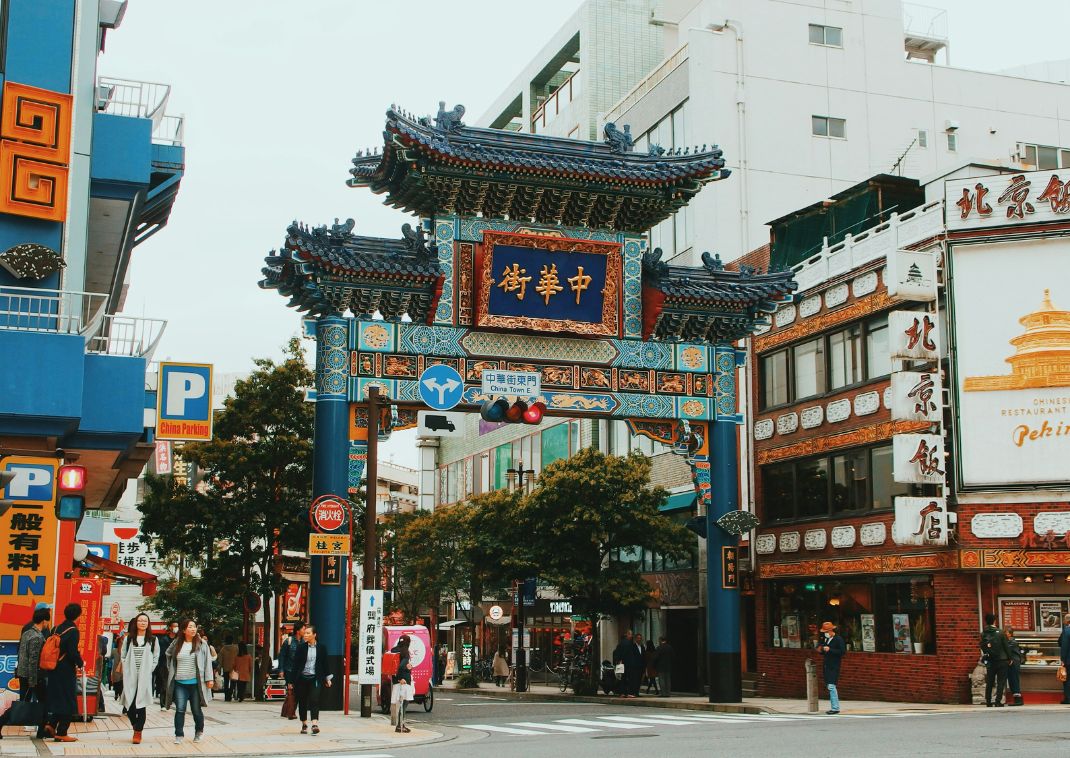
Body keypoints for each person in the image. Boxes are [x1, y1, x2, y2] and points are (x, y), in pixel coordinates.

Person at [0, 606, 51, 739]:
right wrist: (33, 681)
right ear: (44, 621)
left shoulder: (27, 633)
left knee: (23, 703)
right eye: (47, 621)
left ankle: (1, 723)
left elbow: (21, 655)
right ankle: (41, 732)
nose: (48, 624)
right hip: (32, 676)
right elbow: (33, 661)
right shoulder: (37, 637)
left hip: (23, 674)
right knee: (44, 702)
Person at [163, 618, 214, 745]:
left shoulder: (201, 643)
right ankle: (179, 735)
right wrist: (171, 669)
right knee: (180, 709)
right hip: (180, 682)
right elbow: (168, 654)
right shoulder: (177, 643)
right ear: (184, 630)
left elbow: (208, 661)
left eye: (194, 626)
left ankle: (199, 731)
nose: (193, 629)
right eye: (190, 627)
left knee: (196, 710)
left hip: (196, 683)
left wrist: (209, 679)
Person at [45, 602, 84, 742]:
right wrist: (81, 663)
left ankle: (51, 723)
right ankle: (62, 732)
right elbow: (72, 652)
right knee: (69, 700)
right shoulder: (73, 630)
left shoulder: (56, 628)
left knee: (58, 697)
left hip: (53, 667)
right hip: (65, 669)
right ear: (78, 616)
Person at [120, 613, 160, 744]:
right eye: (140, 620)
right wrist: (126, 666)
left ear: (148, 624)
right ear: (136, 623)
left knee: (141, 704)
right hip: (130, 674)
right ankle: (135, 726)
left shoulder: (153, 639)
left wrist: (150, 669)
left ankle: (138, 732)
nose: (143, 623)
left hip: (144, 676)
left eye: (145, 621)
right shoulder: (129, 639)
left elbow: (156, 657)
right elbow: (123, 655)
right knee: (130, 704)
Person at [292, 625, 332, 735]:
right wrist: (290, 682)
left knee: (314, 700)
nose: (305, 635)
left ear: (314, 635)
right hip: (302, 679)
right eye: (305, 633)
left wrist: (328, 678)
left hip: (315, 678)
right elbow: (295, 665)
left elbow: (325, 664)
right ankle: (304, 724)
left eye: (308, 633)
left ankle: (314, 724)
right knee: (303, 701)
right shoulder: (301, 648)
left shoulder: (322, 648)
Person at [981, 612, 1011, 707]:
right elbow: (1006, 646)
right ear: (994, 621)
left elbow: (982, 646)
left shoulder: (983, 633)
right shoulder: (1001, 632)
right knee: (1001, 681)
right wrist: (1009, 658)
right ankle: (998, 701)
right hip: (1002, 660)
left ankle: (988, 701)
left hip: (990, 660)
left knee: (990, 681)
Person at [819, 621, 846, 715]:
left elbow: (842, 652)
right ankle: (834, 707)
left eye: (826, 632)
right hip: (827, 665)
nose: (825, 634)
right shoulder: (826, 640)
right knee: (829, 686)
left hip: (834, 665)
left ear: (831, 631)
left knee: (831, 686)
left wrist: (830, 649)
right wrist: (821, 649)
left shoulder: (838, 639)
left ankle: (835, 708)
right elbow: (822, 650)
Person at [390, 634, 412, 733]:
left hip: (395, 681)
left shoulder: (394, 650)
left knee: (400, 703)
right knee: (404, 703)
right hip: (403, 682)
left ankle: (400, 725)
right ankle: (400, 725)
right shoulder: (405, 652)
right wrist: (401, 679)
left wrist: (397, 679)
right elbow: (401, 666)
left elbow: (394, 666)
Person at [612, 630, 643, 698]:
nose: (632, 636)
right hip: (628, 664)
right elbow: (629, 654)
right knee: (629, 678)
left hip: (621, 663)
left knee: (622, 678)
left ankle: (622, 693)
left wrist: (619, 661)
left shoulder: (620, 643)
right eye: (631, 635)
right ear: (628, 635)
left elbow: (617, 653)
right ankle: (629, 692)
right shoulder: (628, 644)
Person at [156, 621, 178, 706]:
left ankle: (174, 700)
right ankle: (163, 703)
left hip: (176, 664)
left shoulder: (178, 639)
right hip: (164, 664)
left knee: (175, 683)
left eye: (177, 626)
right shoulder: (164, 640)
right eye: (174, 626)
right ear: (170, 627)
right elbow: (162, 653)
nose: (176, 628)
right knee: (164, 683)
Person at [1004, 627, 1023, 707]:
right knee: (1012, 680)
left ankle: (1018, 700)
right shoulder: (1010, 641)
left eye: (1006, 632)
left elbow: (1006, 649)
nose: (1004, 634)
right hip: (1012, 663)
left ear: (1009, 633)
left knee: (1014, 680)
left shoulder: (1011, 642)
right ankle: (1016, 699)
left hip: (1014, 663)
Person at [219, 635, 238, 702]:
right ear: (232, 641)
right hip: (234, 669)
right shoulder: (236, 648)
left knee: (226, 683)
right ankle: (230, 694)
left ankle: (226, 696)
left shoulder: (223, 649)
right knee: (233, 683)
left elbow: (220, 660)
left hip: (225, 668)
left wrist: (219, 669)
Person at [1059, 613, 1070, 704]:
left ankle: (1068, 698)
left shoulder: (1066, 630)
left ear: (1067, 621)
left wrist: (1062, 659)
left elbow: (1064, 646)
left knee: (1067, 679)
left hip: (1068, 660)